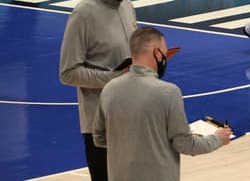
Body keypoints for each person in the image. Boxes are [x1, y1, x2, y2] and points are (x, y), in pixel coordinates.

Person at [92, 26, 232, 180]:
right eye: (165, 54)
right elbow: (186, 145)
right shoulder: (168, 92)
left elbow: (99, 137)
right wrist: (218, 138)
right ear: (157, 53)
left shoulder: (109, 89)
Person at [59, 0, 138, 181]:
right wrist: (113, 79)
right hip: (100, 123)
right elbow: (68, 72)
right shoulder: (84, 14)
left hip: (132, 115)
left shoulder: (127, 6)